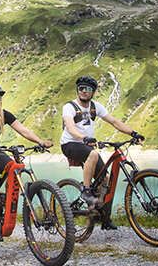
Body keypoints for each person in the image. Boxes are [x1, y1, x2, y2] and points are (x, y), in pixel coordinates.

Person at [0, 83, 53, 242]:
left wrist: (40, 141)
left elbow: (23, 130)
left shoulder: (3, 115)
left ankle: (4, 198)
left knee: (14, 167)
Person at [61, 75, 145, 230]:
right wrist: (84, 138)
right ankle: (86, 191)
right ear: (77, 90)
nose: (84, 92)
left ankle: (103, 218)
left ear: (93, 92)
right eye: (81, 88)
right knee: (92, 154)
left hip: (87, 145)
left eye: (88, 89)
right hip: (70, 144)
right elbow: (71, 128)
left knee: (105, 180)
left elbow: (114, 122)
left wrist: (133, 133)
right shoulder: (69, 107)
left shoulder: (96, 106)